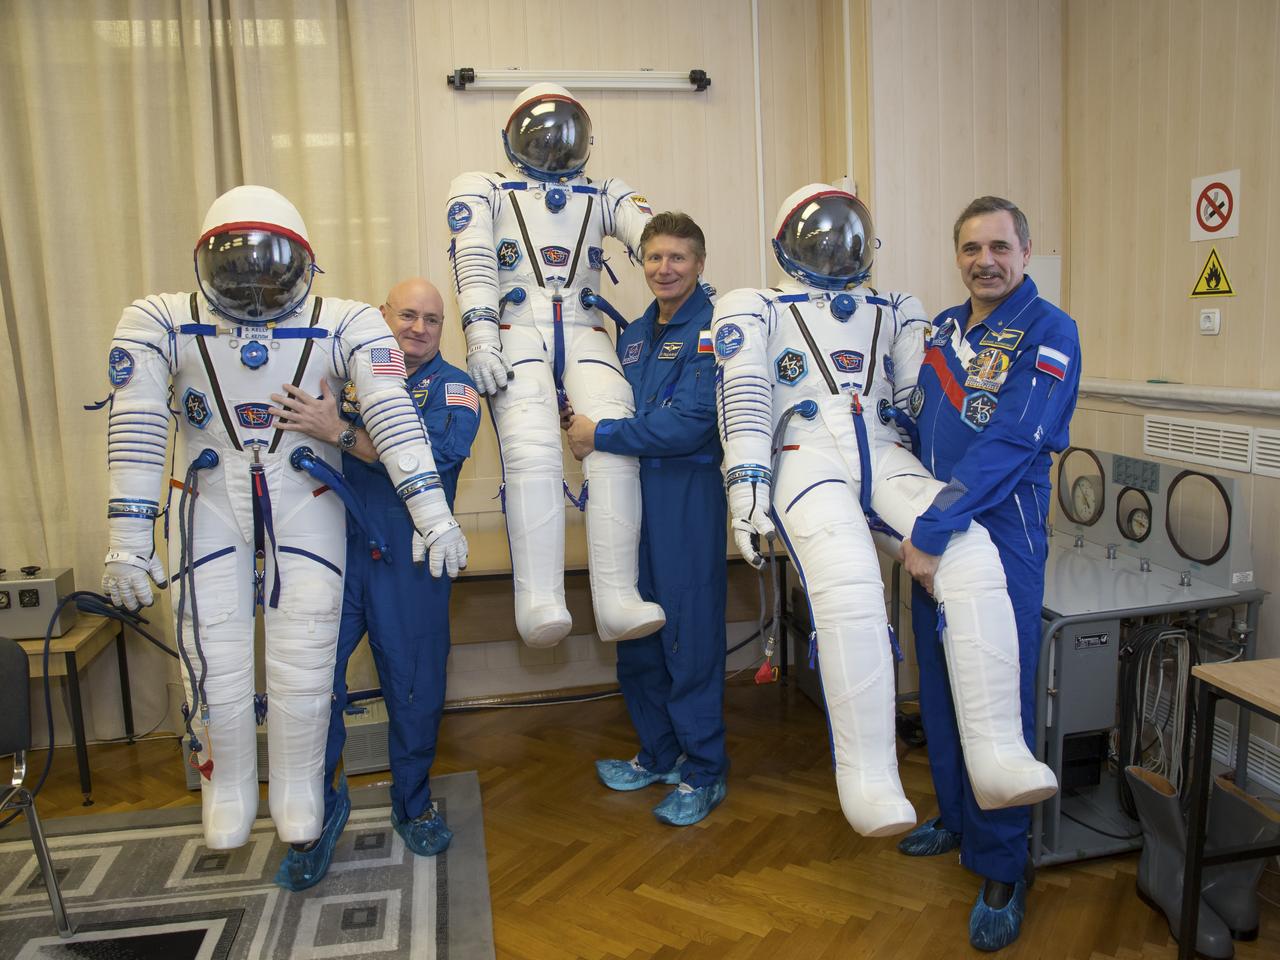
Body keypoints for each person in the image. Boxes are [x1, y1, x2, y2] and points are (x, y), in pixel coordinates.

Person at [100, 187, 467, 852]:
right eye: (237, 267)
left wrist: (434, 517)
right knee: (212, 655)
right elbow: (139, 422)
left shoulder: (352, 329)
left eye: (429, 318)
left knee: (309, 666)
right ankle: (229, 788)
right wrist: (126, 539)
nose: (254, 284)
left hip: (322, 513)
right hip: (212, 502)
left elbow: (396, 421)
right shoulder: (160, 320)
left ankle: (322, 796)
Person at [712, 183, 1057, 841]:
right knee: (849, 584)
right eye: (817, 233)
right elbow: (747, 389)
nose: (834, 245)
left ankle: (1000, 754)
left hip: (883, 446)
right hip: (802, 451)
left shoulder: (900, 307)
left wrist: (921, 498)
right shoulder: (753, 304)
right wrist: (747, 484)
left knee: (971, 553)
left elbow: (914, 398)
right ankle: (868, 779)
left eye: (998, 246)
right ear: (786, 242)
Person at [897, 196, 1080, 951]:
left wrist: (934, 527)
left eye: (1000, 246)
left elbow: (1013, 439)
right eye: (971, 248)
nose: (985, 260)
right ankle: (958, 817)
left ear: (1026, 252)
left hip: (996, 538)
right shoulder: (944, 328)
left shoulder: (1049, 330)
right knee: (938, 682)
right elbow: (919, 418)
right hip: (930, 534)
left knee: (996, 699)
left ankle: (1006, 864)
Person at [265, 277, 481, 890]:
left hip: (410, 557)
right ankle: (316, 816)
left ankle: (412, 804)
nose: (417, 327)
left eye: (432, 320)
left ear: (444, 330)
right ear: (382, 317)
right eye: (406, 315)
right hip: (328, 552)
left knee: (414, 689)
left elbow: (432, 459)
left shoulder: (457, 389)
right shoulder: (340, 378)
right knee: (310, 688)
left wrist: (339, 432)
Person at [446, 83, 664, 649]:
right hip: (517, 328)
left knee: (613, 435)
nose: (551, 143)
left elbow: (655, 237)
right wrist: (481, 336)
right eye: (539, 130)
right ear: (510, 136)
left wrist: (684, 277)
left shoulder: (606, 192)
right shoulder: (482, 188)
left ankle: (617, 597)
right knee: (532, 442)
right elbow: (472, 260)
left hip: (585, 327)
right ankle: (538, 599)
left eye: (565, 130)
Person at [564, 213, 728, 826]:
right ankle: (660, 754)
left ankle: (704, 769)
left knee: (688, 637)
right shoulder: (631, 334)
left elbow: (690, 422)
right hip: (628, 498)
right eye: (655, 257)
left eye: (677, 258)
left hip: (685, 497)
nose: (664, 269)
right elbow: (611, 402)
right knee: (635, 630)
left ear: (700, 263)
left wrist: (599, 433)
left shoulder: (717, 330)